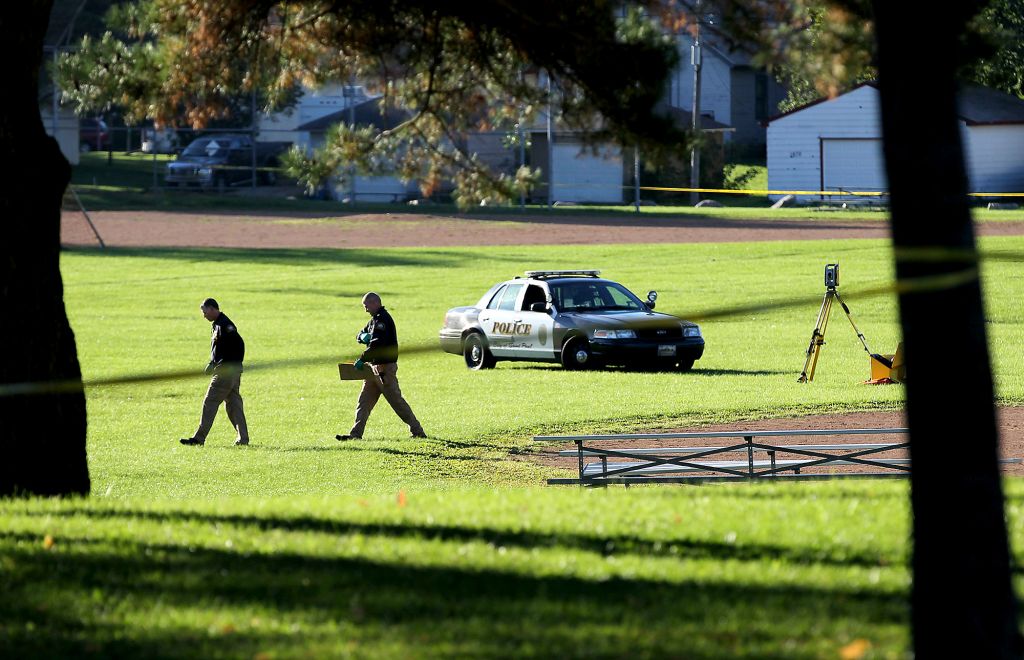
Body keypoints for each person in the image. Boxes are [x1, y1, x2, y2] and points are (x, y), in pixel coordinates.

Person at [336, 292, 426, 441]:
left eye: (366, 306)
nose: (365, 310)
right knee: (363, 403)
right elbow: (361, 333)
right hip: (373, 370)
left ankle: (418, 431)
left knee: (397, 402)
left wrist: (361, 359)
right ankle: (355, 435)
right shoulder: (374, 321)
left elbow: (376, 346)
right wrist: (361, 337)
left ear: (375, 303)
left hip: (384, 370)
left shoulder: (382, 320)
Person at [180, 298, 250, 446]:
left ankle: (199, 438)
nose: (204, 315)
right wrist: (213, 362)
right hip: (230, 371)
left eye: (205, 312)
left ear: (213, 309)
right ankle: (243, 439)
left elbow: (239, 345)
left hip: (225, 372)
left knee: (210, 402)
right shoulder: (218, 324)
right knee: (234, 405)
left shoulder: (225, 325)